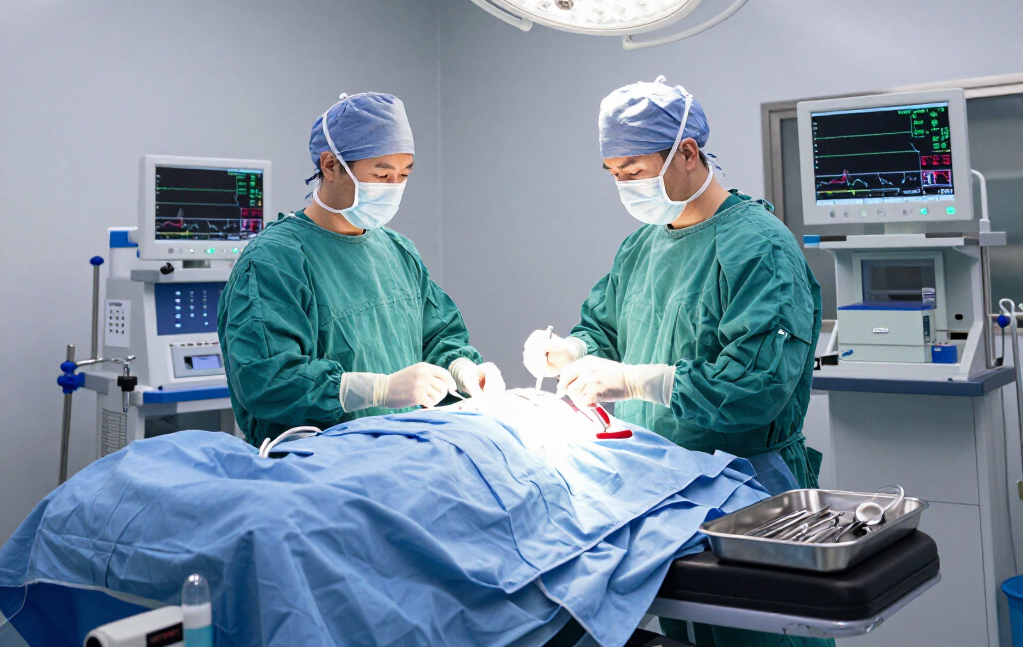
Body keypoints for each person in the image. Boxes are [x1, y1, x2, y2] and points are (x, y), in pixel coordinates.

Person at [523, 77, 830, 647]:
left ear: (687, 153)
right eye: (614, 173)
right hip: (664, 482)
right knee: (687, 630)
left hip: (747, 487)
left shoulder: (760, 247)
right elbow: (606, 325)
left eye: (634, 169)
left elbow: (758, 386)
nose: (625, 185)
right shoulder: (643, 244)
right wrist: (577, 349)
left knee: (762, 635)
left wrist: (640, 379)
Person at [219, 92, 503, 446]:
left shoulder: (397, 251)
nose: (394, 187)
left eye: (403, 174)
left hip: (400, 452)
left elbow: (438, 334)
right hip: (313, 467)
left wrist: (461, 368)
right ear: (330, 166)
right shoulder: (275, 261)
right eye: (381, 174)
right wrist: (378, 389)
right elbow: (266, 380)